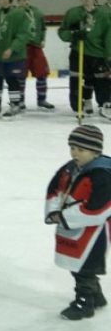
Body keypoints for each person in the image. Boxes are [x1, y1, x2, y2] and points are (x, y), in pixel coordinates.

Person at [44, 125, 110, 320]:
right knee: (78, 265)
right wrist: (54, 211)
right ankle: (96, 296)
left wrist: (65, 216)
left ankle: (84, 302)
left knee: (85, 266)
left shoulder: (103, 174)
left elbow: (99, 207)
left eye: (81, 150)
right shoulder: (69, 168)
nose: (75, 153)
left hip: (95, 232)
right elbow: (54, 189)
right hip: (72, 228)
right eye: (72, 148)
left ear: (95, 151)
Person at [58, 0, 111, 117]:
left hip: (98, 54)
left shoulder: (104, 13)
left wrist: (108, 54)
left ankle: (104, 105)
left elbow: (108, 35)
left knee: (101, 81)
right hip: (78, 53)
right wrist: (73, 34)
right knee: (77, 80)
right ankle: (78, 106)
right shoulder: (73, 13)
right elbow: (62, 31)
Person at [0, 0, 31, 118]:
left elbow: (23, 35)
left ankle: (15, 105)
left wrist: (12, 48)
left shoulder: (20, 14)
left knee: (12, 80)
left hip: (14, 55)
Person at [17, 0, 55, 110]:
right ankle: (20, 101)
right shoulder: (15, 14)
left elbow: (43, 28)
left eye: (28, 0)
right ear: (18, 2)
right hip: (22, 48)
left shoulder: (37, 13)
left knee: (42, 73)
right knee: (20, 75)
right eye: (23, 0)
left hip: (36, 47)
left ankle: (42, 99)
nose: (26, 2)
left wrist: (42, 39)